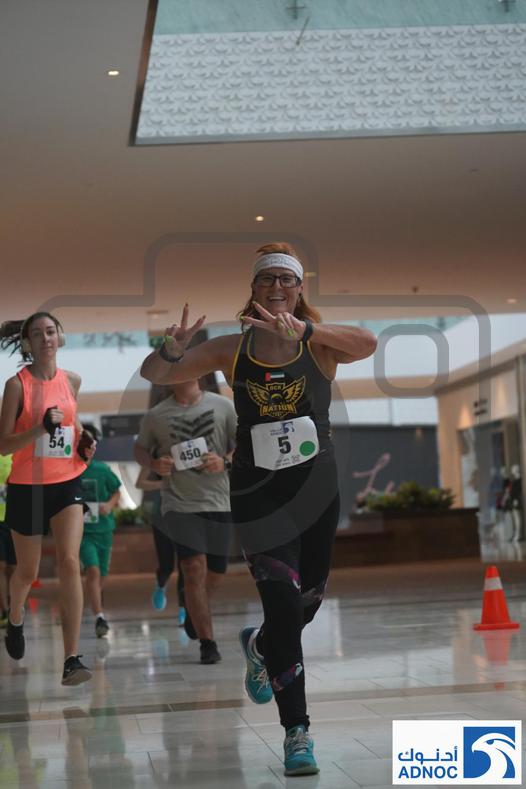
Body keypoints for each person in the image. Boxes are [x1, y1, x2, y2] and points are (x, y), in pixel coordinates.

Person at [140, 242, 377, 776]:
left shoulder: (320, 345)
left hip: (316, 490)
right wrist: (173, 350)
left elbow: (369, 342)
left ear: (299, 289)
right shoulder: (233, 349)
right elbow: (155, 372)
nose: (276, 287)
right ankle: (297, 733)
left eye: (286, 279)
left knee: (306, 603)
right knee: (282, 603)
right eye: (266, 279)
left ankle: (262, 646)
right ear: (253, 289)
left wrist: (308, 331)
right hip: (258, 494)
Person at [0, 312, 96, 685]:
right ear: (28, 343)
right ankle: (16, 617)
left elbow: (74, 424)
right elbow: (4, 444)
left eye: (51, 331)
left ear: (60, 337)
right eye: (37, 334)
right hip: (27, 485)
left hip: (67, 480)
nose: (45, 339)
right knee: (27, 572)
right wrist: (40, 428)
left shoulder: (72, 380)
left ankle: (71, 658)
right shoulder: (16, 386)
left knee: (70, 561)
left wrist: (85, 443)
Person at [134, 378, 236, 665]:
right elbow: (140, 449)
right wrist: (154, 463)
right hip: (178, 504)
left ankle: (194, 611)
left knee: (216, 573)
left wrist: (225, 461)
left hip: (218, 501)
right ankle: (208, 643)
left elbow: (245, 441)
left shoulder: (222, 406)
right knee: (193, 568)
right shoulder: (156, 415)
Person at [78, 423, 121, 638]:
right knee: (93, 571)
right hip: (82, 533)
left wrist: (109, 505)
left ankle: (96, 605)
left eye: (91, 442)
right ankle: (99, 617)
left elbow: (116, 491)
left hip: (104, 529)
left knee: (101, 575)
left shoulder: (102, 470)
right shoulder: (70, 471)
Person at [135, 466, 186, 625]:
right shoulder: (155, 457)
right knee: (166, 564)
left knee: (186, 565)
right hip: (161, 517)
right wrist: (163, 484)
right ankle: (161, 585)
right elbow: (139, 483)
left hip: (186, 515)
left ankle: (183, 609)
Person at [0, 454, 17, 627]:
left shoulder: (14, 455)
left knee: (14, 568)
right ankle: (4, 610)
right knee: (1, 566)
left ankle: (15, 608)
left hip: (13, 519)